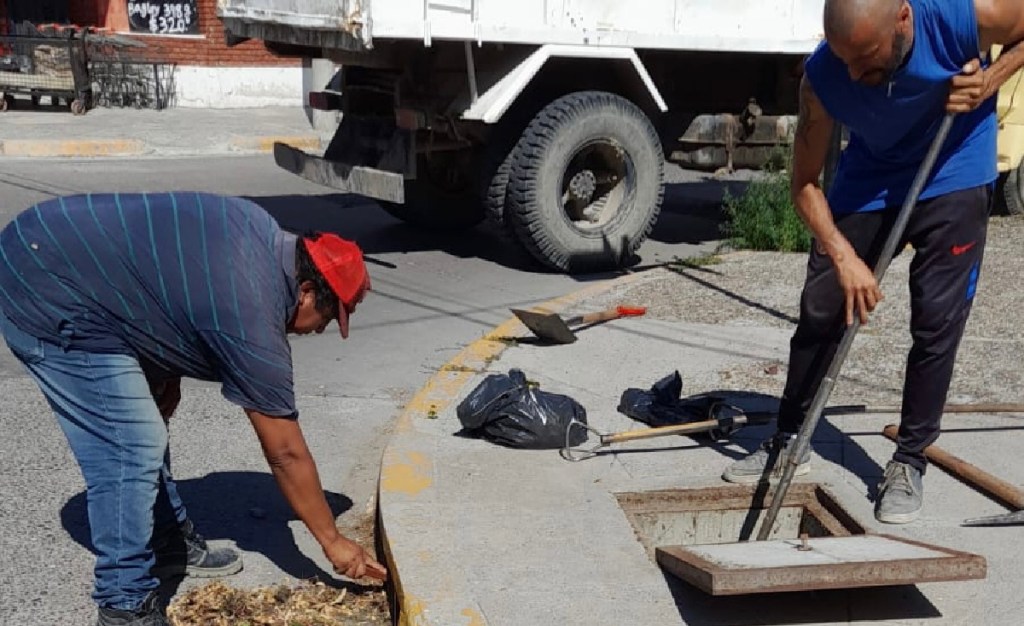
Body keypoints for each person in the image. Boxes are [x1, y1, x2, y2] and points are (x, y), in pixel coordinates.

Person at [0, 192, 385, 626]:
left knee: (146, 416)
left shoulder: (259, 232)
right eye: (330, 319)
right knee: (132, 444)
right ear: (308, 291)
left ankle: (167, 541)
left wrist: (167, 366)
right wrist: (333, 542)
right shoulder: (253, 313)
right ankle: (124, 605)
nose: (321, 331)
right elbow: (285, 453)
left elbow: (176, 275)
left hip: (63, 246)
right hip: (43, 282)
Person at [722, 0, 1024, 524]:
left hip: (953, 168)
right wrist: (841, 254)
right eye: (846, 62)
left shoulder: (961, 15)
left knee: (937, 320)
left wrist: (991, 79)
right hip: (872, 179)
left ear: (903, 19)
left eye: (867, 58)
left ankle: (909, 461)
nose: (857, 75)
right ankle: (791, 435)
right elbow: (804, 186)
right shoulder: (824, 78)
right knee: (822, 308)